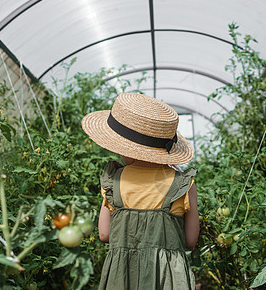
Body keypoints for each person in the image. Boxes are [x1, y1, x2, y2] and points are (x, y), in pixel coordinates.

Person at [81, 93, 199, 289]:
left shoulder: (113, 181)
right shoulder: (183, 184)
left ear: (126, 147)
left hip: (123, 276)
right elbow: (189, 240)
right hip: (168, 279)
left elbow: (104, 234)